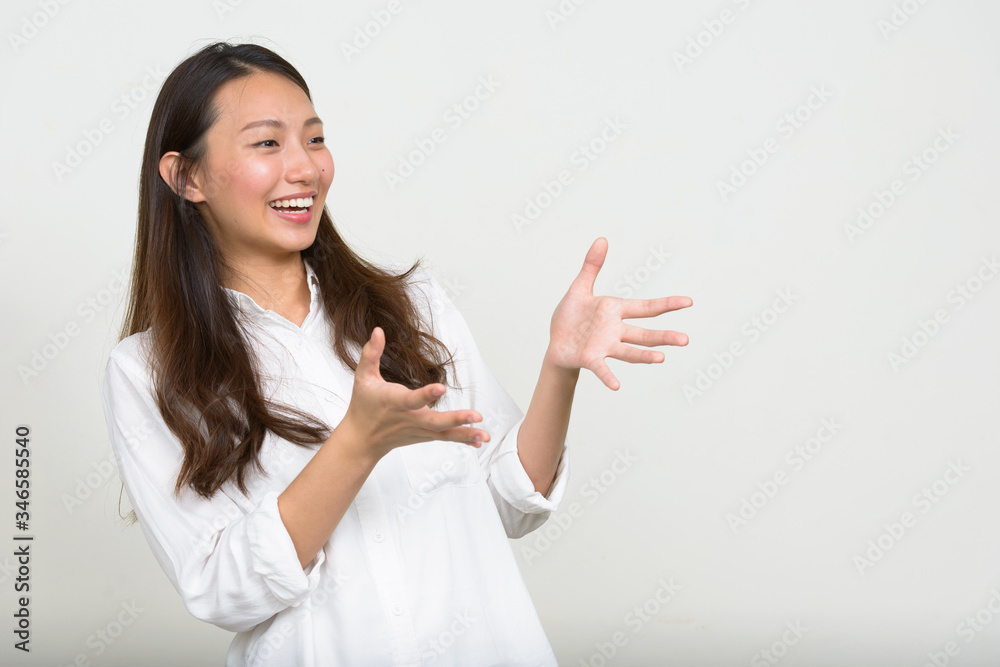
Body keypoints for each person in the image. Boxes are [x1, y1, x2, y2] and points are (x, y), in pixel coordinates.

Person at [101, 40, 693, 666]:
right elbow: (224, 589)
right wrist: (357, 442)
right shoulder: (148, 372)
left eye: (316, 138)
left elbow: (508, 503)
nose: (304, 167)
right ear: (185, 176)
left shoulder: (412, 305)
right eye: (267, 143)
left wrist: (559, 368)